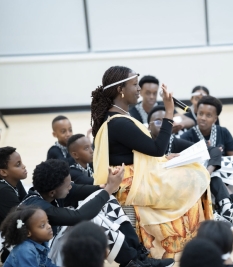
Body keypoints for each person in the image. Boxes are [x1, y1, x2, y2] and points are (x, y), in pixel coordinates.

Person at [91, 66, 212, 259]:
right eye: (134, 85)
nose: (138, 89)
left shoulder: (116, 117)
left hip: (130, 174)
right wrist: (169, 111)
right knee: (196, 175)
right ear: (120, 89)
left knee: (190, 168)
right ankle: (187, 243)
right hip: (128, 181)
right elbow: (157, 150)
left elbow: (139, 152)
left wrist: (164, 159)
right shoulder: (119, 122)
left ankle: (184, 242)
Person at [21, 159, 173, 267]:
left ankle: (138, 257)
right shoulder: (37, 206)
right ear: (53, 191)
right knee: (90, 220)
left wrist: (110, 184)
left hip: (58, 246)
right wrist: (107, 190)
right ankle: (131, 262)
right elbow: (79, 217)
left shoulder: (51, 191)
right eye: (68, 185)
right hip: (43, 257)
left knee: (106, 200)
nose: (71, 187)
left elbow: (93, 192)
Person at [148, 105, 233, 227]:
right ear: (148, 126)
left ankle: (227, 208)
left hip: (181, 185)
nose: (163, 125)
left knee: (211, 176)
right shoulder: (144, 142)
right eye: (158, 121)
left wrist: (207, 172)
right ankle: (209, 214)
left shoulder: (174, 141)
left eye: (167, 121)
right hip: (159, 188)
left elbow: (214, 151)